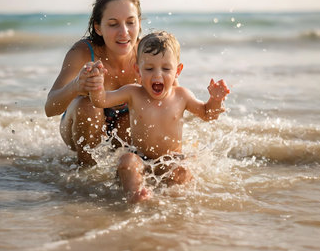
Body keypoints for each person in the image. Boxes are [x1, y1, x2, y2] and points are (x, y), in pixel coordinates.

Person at [89, 31, 230, 203]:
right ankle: (136, 195)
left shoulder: (182, 95)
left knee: (182, 170)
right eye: (149, 69)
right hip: (140, 156)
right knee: (126, 162)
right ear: (137, 70)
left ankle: (175, 200)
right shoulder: (133, 92)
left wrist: (215, 100)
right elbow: (101, 101)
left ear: (178, 71)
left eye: (166, 68)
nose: (157, 75)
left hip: (171, 159)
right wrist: (96, 86)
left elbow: (208, 115)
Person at [45, 0, 142, 166]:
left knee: (137, 113)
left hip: (124, 126)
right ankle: (86, 172)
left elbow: (172, 101)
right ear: (98, 28)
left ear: (139, 22)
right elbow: (50, 108)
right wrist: (76, 86)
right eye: (113, 24)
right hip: (80, 124)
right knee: (87, 106)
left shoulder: (146, 53)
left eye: (130, 22)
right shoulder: (82, 52)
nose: (124, 32)